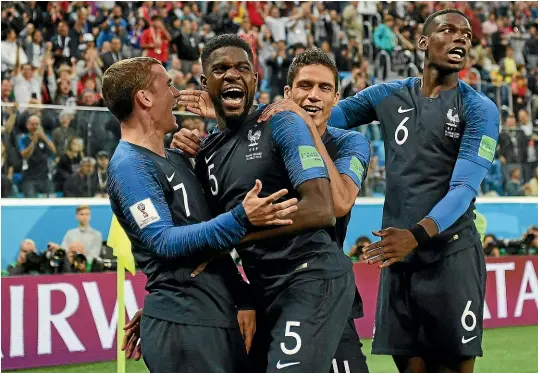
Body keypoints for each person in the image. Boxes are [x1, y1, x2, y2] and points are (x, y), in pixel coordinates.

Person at [264, 9, 500, 373]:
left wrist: (416, 235)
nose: (460, 39)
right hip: (399, 255)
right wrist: (243, 119)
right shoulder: (389, 95)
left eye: (466, 35)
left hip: (449, 256)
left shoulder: (479, 109)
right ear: (422, 42)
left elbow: (464, 189)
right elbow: (321, 114)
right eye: (448, 30)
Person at [172, 47, 371, 373]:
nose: (314, 95)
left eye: (324, 88)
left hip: (317, 282)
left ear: (336, 98)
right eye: (305, 86)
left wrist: (300, 122)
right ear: (288, 93)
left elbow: (337, 204)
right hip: (266, 287)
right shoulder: (264, 129)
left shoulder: (349, 142)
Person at [102, 56, 298, 373]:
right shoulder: (129, 167)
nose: (177, 93)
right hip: (184, 326)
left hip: (214, 316)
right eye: (168, 85)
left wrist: (242, 296)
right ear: (145, 98)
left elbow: (207, 242)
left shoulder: (178, 158)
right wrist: (242, 218)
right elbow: (162, 241)